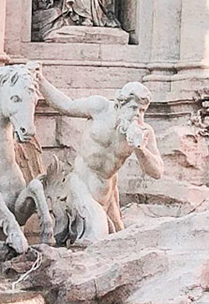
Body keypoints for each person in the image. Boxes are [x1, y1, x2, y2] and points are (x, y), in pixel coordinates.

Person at [39, 76, 164, 242]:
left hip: (107, 192)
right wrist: (40, 81)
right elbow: (66, 105)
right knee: (97, 234)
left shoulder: (144, 132)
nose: (137, 115)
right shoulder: (99, 108)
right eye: (133, 108)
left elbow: (157, 172)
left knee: (119, 240)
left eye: (142, 111)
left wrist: (140, 149)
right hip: (80, 183)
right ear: (120, 104)